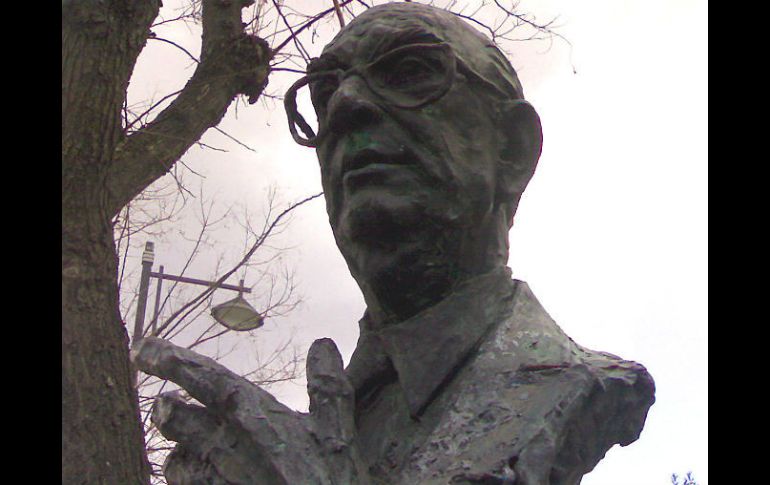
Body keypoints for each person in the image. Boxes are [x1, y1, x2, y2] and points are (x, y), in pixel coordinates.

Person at [135, 3, 654, 484]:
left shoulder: (569, 384)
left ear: (513, 149)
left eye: (408, 71)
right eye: (323, 93)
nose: (345, 105)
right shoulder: (320, 431)